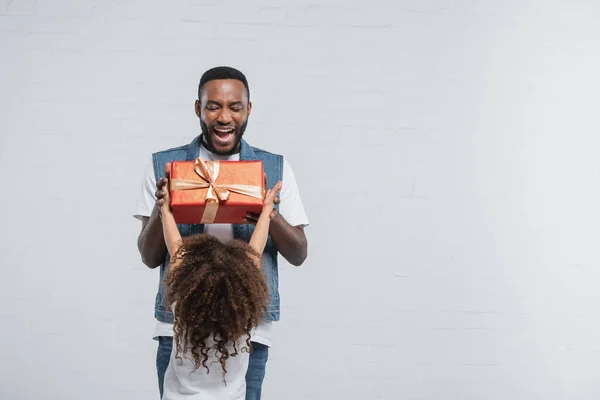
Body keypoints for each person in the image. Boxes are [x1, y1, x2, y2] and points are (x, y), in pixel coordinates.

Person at [134, 66, 309, 400]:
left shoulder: (275, 169)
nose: (224, 117)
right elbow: (150, 255)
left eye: (235, 107)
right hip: (179, 323)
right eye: (213, 106)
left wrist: (265, 211)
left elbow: (299, 253)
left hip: (247, 328)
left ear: (248, 110)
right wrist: (163, 207)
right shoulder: (163, 166)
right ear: (198, 108)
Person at [159, 161, 282, 399]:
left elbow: (176, 251)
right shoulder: (244, 315)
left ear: (188, 280)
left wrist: (165, 209)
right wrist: (266, 210)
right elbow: (254, 255)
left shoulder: (183, 308)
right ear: (245, 286)